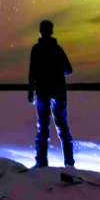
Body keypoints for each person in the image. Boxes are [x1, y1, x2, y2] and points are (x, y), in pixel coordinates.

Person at [27, 19, 74, 167]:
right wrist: (57, 70)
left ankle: (42, 161)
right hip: (58, 91)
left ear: (40, 32)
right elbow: (68, 69)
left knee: (43, 126)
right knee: (62, 127)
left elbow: (32, 73)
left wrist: (31, 90)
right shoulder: (57, 49)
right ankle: (69, 163)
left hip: (43, 92)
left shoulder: (36, 49)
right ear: (51, 32)